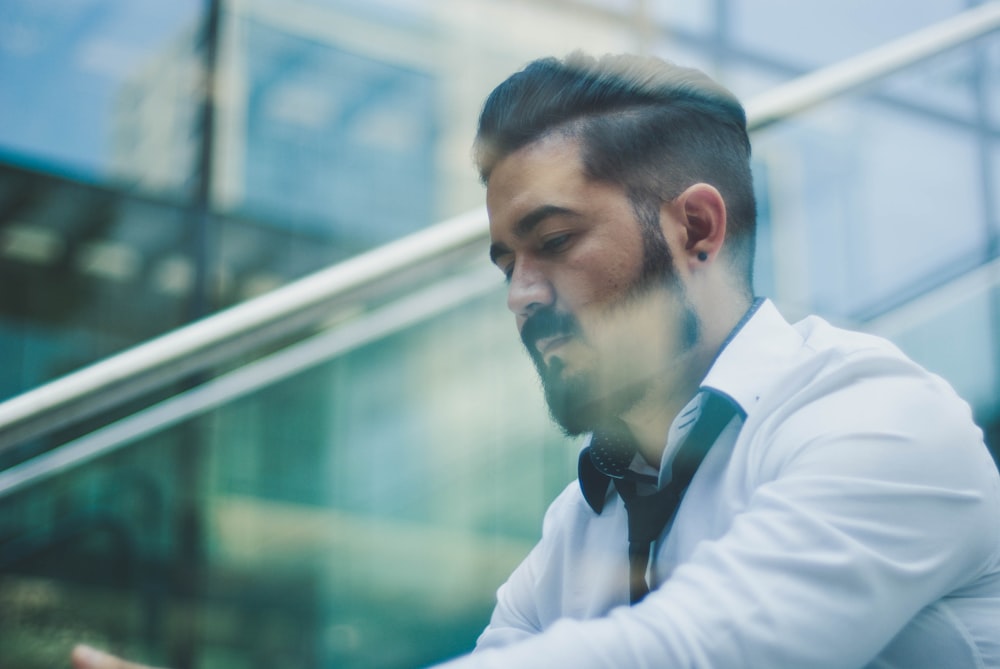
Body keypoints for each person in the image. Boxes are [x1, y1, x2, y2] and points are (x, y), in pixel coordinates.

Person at [72, 52, 1000, 669]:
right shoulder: (580, 524)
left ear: (697, 229)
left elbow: (692, 650)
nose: (520, 293)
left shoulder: (878, 419)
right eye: (505, 260)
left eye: (552, 240)